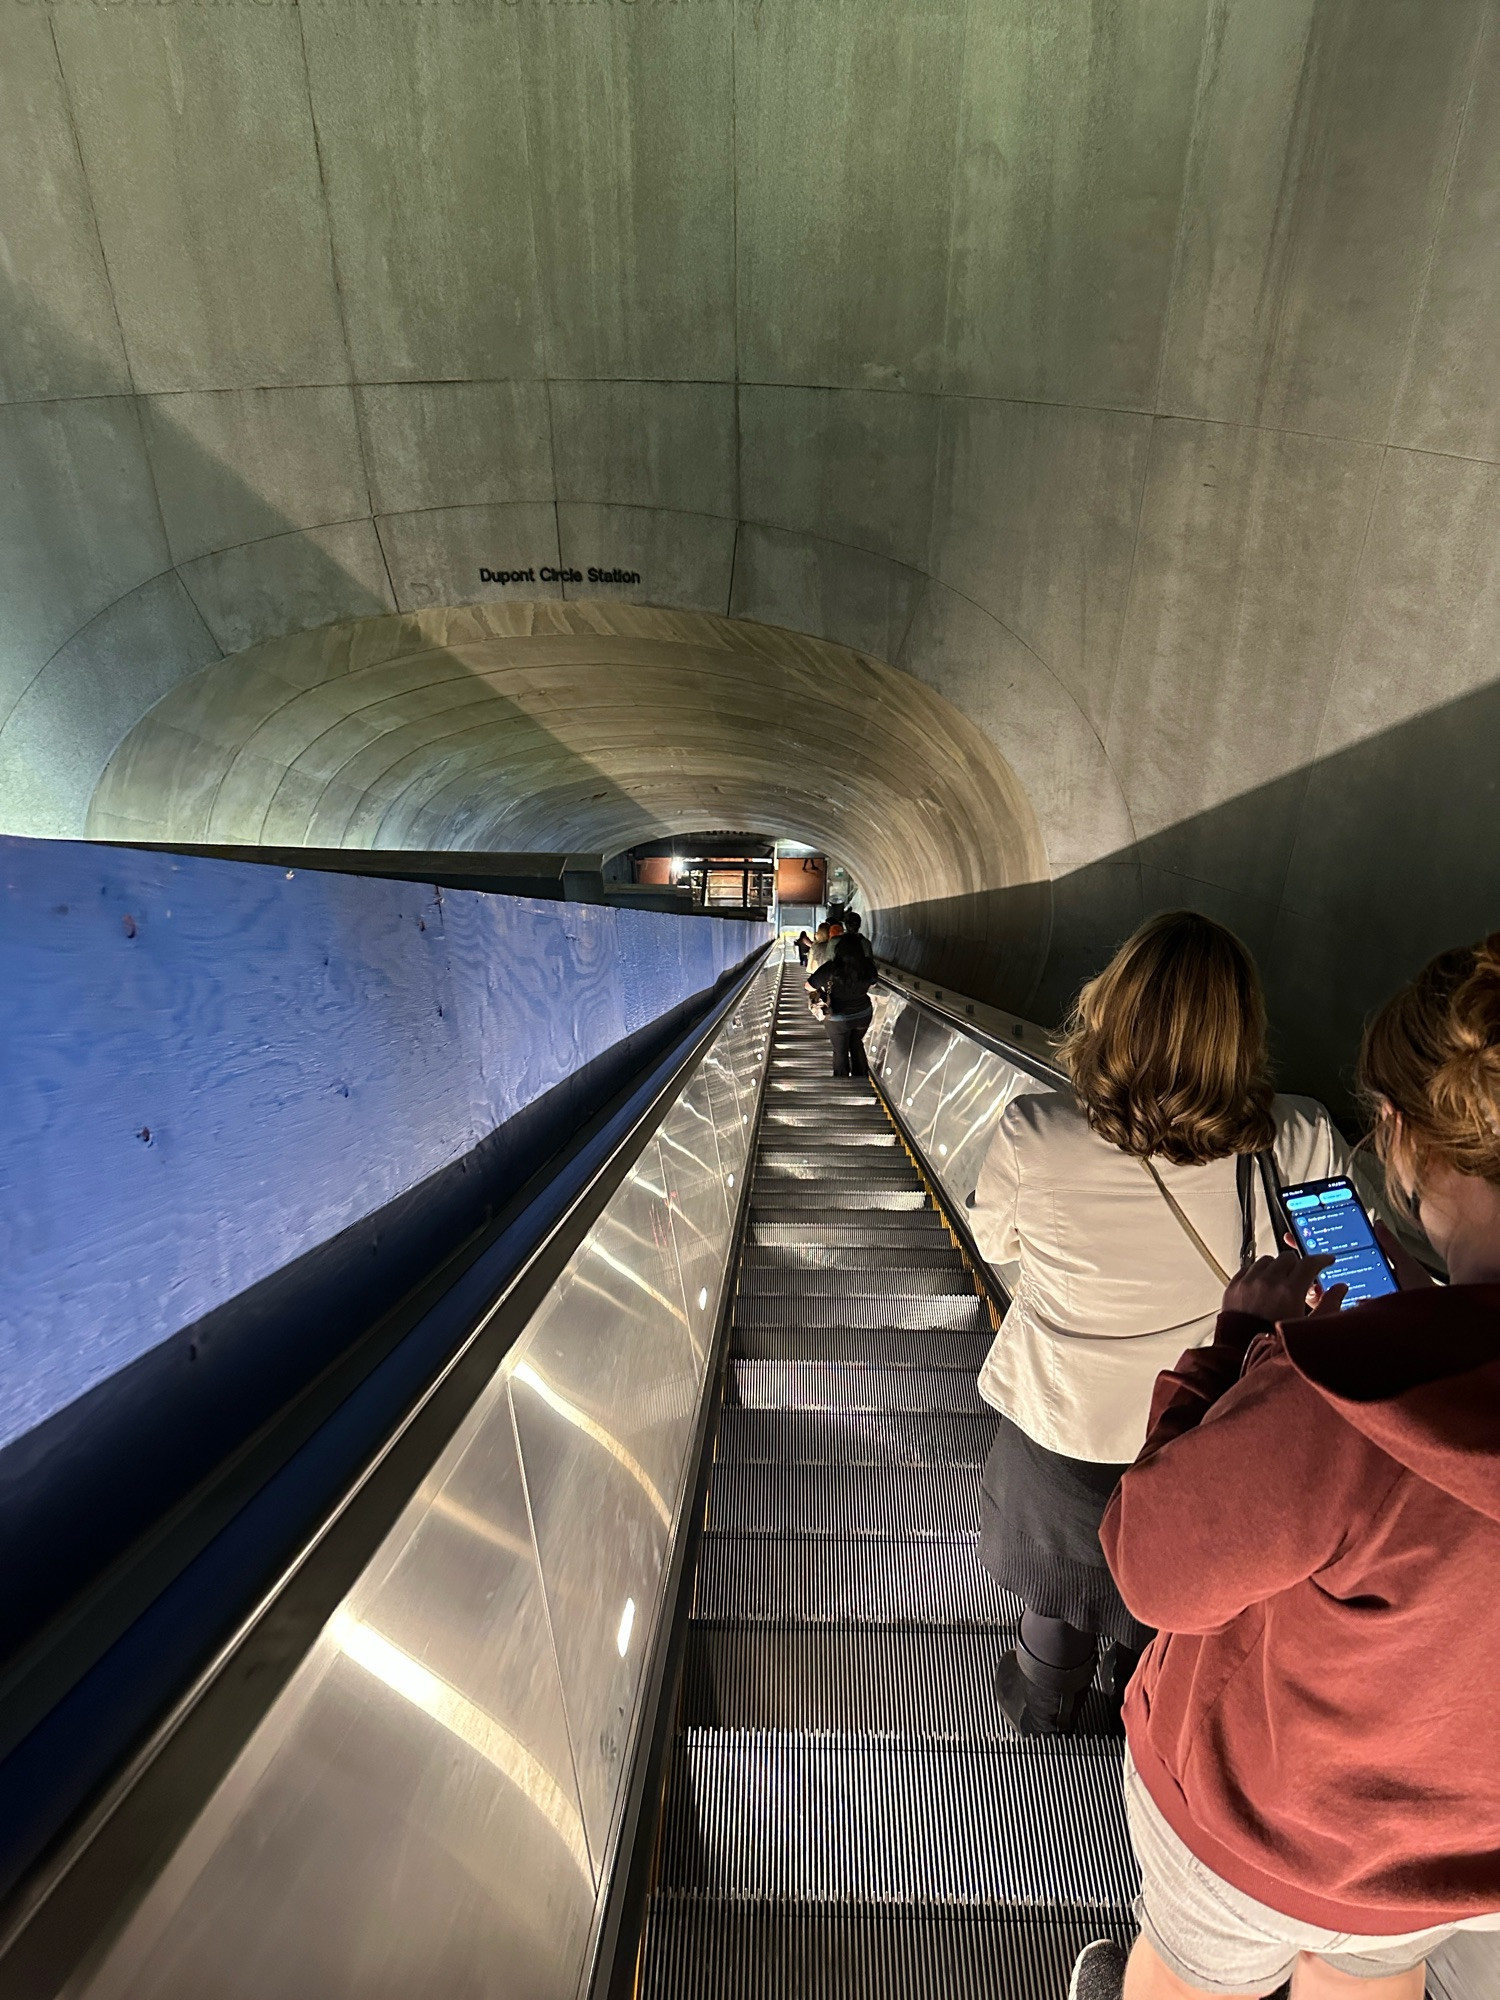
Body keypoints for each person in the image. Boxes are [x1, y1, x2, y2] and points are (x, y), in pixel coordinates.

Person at [1065, 933, 1500, 2000]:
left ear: (1403, 1138)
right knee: (1370, 1966)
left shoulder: (1358, 1393)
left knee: (1192, 1972)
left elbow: (1152, 1564)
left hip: (1257, 1822)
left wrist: (1233, 1354)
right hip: (1456, 1851)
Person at [968, 912, 1346, 1736]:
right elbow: (1347, 1284)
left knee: (1055, 1593)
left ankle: (1045, 1710)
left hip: (1063, 1432)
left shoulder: (1037, 1130)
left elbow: (995, 1242)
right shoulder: (1303, 1134)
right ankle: (1143, 1727)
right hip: (1213, 1433)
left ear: (1112, 1007)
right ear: (1242, 1028)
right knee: (1175, 1603)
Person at [805, 934, 876, 1078]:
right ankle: (861, 1078)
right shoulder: (867, 965)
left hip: (837, 1017)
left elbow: (808, 986)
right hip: (863, 1014)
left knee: (840, 1050)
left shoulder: (830, 968)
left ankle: (842, 1081)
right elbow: (873, 983)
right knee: (856, 1043)